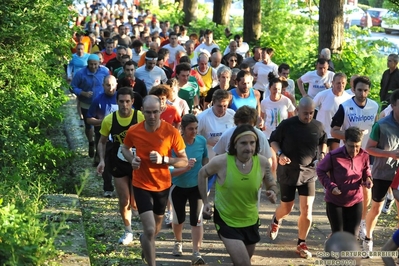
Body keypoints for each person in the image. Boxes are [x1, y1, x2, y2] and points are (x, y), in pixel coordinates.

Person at [121, 95, 188, 266]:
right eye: (148, 112)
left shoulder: (171, 132)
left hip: (162, 185)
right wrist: (131, 160)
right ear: (142, 111)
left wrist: (164, 160)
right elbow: (125, 148)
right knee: (150, 229)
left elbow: (184, 160)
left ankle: (145, 239)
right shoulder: (134, 130)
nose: (152, 116)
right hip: (141, 184)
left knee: (154, 231)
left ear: (161, 111)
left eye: (155, 112)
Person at [198, 124, 279, 266]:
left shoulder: (262, 162)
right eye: (243, 143)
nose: (248, 147)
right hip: (226, 220)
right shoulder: (221, 161)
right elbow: (202, 174)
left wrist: (272, 192)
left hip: (250, 220)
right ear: (235, 144)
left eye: (252, 143)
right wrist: (205, 201)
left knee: (242, 262)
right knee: (243, 263)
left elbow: (272, 183)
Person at [268, 97, 327, 259]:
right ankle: (276, 219)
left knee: (307, 209)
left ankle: (301, 242)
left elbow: (323, 141)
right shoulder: (287, 125)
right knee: (286, 208)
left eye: (311, 113)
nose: (308, 116)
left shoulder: (318, 126)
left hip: (308, 173)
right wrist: (280, 154)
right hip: (288, 171)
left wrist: (322, 154)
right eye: (305, 113)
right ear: (297, 111)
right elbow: (273, 140)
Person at [330, 76, 379, 241]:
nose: (362, 93)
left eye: (365, 90)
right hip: (348, 155)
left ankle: (361, 222)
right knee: (349, 190)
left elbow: (376, 127)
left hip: (367, 155)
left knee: (366, 189)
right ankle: (343, 224)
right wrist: (351, 137)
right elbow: (334, 131)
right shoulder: (345, 107)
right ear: (353, 89)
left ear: (369, 91)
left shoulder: (374, 106)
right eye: (359, 90)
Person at [97, 87, 145, 245]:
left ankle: (144, 225)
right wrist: (102, 160)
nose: (124, 105)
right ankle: (128, 231)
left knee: (135, 201)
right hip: (118, 161)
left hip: (137, 161)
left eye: (127, 102)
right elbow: (102, 142)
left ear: (132, 102)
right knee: (124, 199)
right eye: (121, 102)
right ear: (117, 102)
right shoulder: (109, 120)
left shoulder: (140, 117)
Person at [317, 127, 372, 236]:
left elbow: (366, 170)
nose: (354, 150)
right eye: (351, 146)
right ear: (344, 141)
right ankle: (334, 247)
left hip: (356, 200)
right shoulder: (334, 156)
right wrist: (331, 186)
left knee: (352, 235)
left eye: (357, 146)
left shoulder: (364, 155)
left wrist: (368, 179)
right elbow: (320, 170)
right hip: (335, 201)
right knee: (339, 234)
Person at [363, 89, 399, 256]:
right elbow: (369, 148)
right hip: (383, 172)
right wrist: (390, 154)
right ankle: (368, 237)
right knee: (376, 208)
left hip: (398, 175)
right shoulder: (382, 124)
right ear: (393, 106)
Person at [169, 114, 209, 264]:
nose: (194, 132)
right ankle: (178, 242)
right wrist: (185, 168)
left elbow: (205, 158)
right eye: (191, 129)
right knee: (178, 218)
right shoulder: (175, 144)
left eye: (196, 128)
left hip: (196, 187)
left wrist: (205, 169)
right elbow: (170, 170)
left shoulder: (201, 141)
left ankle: (196, 252)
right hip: (177, 186)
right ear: (183, 129)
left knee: (197, 220)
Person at [71, 54, 110, 158]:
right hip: (86, 103)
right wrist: (82, 92)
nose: (93, 66)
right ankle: (91, 142)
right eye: (91, 64)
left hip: (100, 104)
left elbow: (109, 83)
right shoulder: (81, 73)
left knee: (99, 128)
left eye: (95, 64)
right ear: (87, 64)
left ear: (99, 63)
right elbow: (72, 86)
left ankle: (98, 154)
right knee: (89, 126)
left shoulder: (104, 72)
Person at [86, 75, 118, 194]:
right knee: (104, 161)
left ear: (117, 84)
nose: (111, 88)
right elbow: (89, 119)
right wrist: (102, 122)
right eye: (108, 85)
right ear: (103, 85)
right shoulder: (98, 100)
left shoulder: (122, 98)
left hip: (119, 135)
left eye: (113, 85)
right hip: (102, 134)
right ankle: (108, 187)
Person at [313, 73, 352, 151]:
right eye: (338, 83)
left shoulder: (349, 98)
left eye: (343, 83)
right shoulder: (322, 95)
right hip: (323, 134)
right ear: (332, 83)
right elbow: (310, 108)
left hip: (338, 134)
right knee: (322, 159)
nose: (341, 85)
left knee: (335, 159)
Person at [197, 89, 235, 159]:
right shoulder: (202, 117)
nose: (222, 109)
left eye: (225, 106)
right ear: (213, 102)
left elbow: (237, 132)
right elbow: (193, 136)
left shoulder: (232, 114)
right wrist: (207, 141)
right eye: (219, 106)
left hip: (227, 156)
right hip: (209, 157)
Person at [261, 72, 295, 140]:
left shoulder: (286, 101)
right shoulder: (264, 102)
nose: (277, 91)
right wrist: (262, 126)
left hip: (283, 134)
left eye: (279, 89)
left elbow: (292, 116)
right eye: (274, 89)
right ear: (270, 88)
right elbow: (262, 116)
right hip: (268, 135)